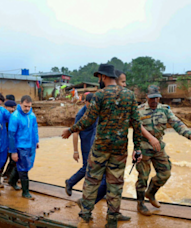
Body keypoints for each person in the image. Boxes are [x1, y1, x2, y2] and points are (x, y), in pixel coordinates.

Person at [61, 64, 142, 227]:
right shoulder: (130, 96)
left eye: (99, 78)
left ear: (103, 77)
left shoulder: (100, 95)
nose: (99, 80)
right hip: (120, 149)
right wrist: (137, 148)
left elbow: (88, 120)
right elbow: (136, 123)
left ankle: (85, 216)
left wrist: (71, 130)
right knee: (115, 183)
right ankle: (111, 220)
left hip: (100, 148)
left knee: (92, 181)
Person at [135, 85, 191, 216]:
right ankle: (140, 203)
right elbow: (135, 129)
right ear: (147, 97)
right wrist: (136, 149)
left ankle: (151, 193)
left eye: (157, 98)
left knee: (165, 173)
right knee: (142, 177)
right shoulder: (139, 110)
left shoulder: (164, 110)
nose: (154, 100)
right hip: (143, 148)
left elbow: (176, 123)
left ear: (159, 97)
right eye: (152, 98)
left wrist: (189, 135)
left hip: (158, 148)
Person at [8, 95, 39, 199]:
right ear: (20, 104)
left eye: (29, 106)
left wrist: (36, 141)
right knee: (24, 169)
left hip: (30, 145)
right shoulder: (15, 117)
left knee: (22, 166)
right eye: (25, 106)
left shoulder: (32, 116)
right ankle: (25, 192)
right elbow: (11, 135)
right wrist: (13, 151)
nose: (27, 109)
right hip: (20, 146)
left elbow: (35, 129)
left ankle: (12, 181)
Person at [0, 99, 18, 185]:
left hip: (12, 143)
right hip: (3, 143)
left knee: (13, 161)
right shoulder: (2, 117)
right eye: (11, 107)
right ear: (5, 107)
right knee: (2, 161)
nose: (12, 109)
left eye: (14, 108)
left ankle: (7, 176)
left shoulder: (13, 117)